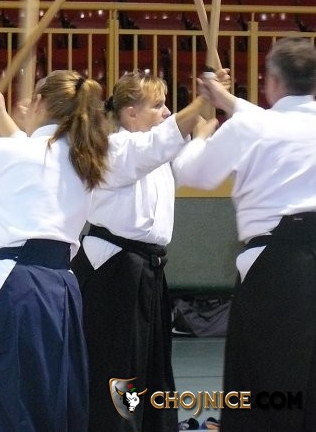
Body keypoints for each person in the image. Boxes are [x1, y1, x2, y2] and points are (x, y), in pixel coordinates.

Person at [0, 70, 110, 432]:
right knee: (46, 399)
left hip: (10, 288)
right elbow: (32, 154)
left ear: (41, 104)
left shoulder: (6, 153)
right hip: (60, 290)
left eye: (32, 98)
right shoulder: (82, 159)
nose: (24, 105)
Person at [172, 37, 316, 431]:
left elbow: (193, 174)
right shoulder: (263, 122)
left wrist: (201, 135)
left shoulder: (251, 125)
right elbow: (275, 121)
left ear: (272, 81)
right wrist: (225, 99)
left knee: (265, 377)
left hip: (278, 261)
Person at [70, 69, 223, 432]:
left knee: (151, 366)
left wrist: (203, 133)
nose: (166, 112)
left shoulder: (153, 154)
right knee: (118, 370)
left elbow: (188, 165)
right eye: (158, 105)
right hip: (113, 271)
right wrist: (204, 98)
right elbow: (159, 144)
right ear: (131, 112)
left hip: (146, 269)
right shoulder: (114, 148)